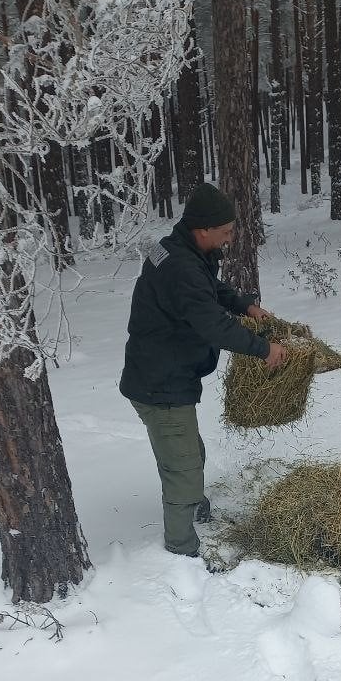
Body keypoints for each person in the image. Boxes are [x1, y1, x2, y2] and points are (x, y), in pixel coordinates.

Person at [119, 183, 287, 560]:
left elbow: (207, 288)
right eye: (225, 232)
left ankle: (193, 505)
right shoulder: (180, 264)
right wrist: (263, 349)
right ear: (202, 229)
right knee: (183, 468)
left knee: (190, 451)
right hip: (159, 384)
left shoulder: (176, 249)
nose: (230, 238)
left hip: (163, 373)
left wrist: (244, 305)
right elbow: (212, 325)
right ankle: (180, 549)